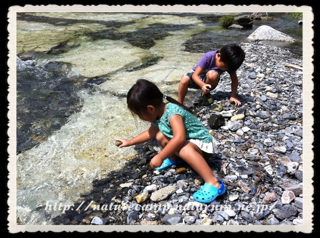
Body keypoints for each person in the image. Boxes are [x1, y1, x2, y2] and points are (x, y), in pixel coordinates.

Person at [115, 79, 225, 203]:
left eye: (139, 115)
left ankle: (213, 182)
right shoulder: (157, 114)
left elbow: (180, 138)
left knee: (183, 148)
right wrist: (130, 142)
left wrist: (160, 156)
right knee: (160, 135)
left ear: (150, 108)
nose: (140, 118)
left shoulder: (172, 112)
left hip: (203, 146)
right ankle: (174, 158)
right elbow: (150, 133)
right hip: (191, 143)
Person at [178, 43, 245, 106]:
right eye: (224, 67)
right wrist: (203, 85)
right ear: (219, 55)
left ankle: (205, 95)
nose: (225, 69)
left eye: (227, 68)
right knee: (184, 79)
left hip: (210, 81)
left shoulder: (229, 64)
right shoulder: (209, 56)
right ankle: (179, 104)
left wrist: (233, 96)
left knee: (212, 74)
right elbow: (195, 75)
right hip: (198, 78)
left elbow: (234, 80)